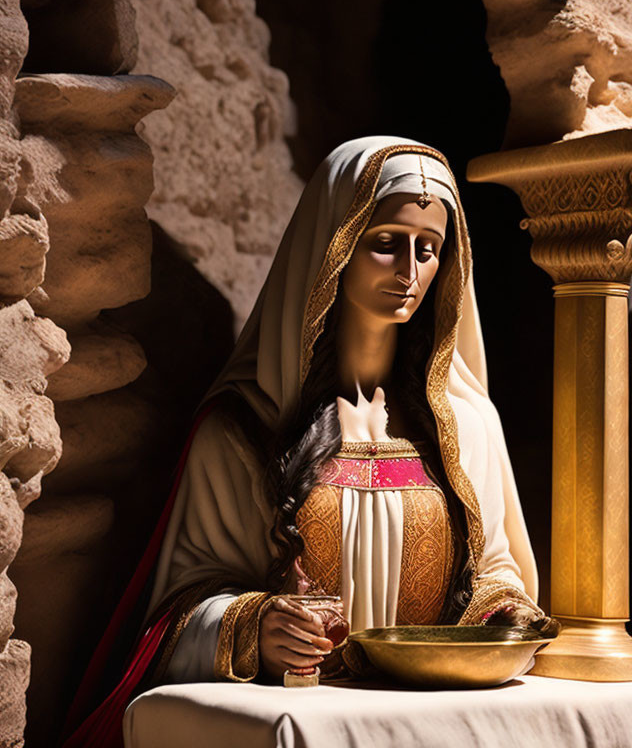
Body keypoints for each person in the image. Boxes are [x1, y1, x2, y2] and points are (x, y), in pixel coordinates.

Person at [63, 136, 556, 747]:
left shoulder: (469, 425)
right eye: (385, 244)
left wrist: (500, 613)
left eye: (429, 250)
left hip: (440, 726)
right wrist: (254, 626)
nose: (410, 271)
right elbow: (178, 606)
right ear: (334, 249)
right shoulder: (246, 427)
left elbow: (493, 569)